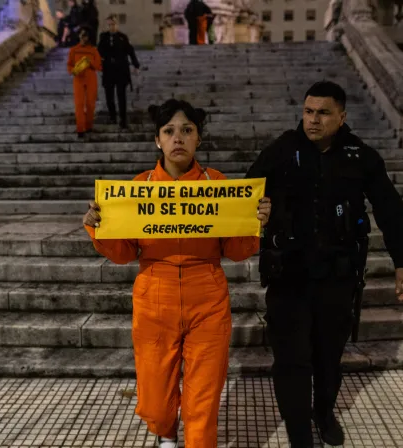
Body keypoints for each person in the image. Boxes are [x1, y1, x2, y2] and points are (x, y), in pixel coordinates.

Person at [83, 99, 272, 448]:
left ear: (198, 138)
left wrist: (254, 224)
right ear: (158, 140)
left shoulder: (217, 185)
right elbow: (125, 253)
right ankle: (165, 432)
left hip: (208, 297)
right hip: (154, 295)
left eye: (187, 130)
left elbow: (234, 250)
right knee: (155, 395)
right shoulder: (139, 189)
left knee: (204, 394)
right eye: (169, 131)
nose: (178, 138)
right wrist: (99, 228)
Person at [246, 81, 403, 448]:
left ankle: (323, 412)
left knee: (327, 360)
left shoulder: (360, 157)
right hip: (288, 276)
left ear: (341, 116)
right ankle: (300, 436)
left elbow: (389, 209)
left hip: (337, 279)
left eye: (323, 113)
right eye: (308, 111)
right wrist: (260, 209)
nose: (313, 119)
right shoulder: (282, 150)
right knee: (291, 360)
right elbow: (246, 194)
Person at [98, 15, 140, 129]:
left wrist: (136, 65)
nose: (111, 26)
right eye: (109, 24)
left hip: (121, 70)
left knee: (121, 96)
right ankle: (113, 117)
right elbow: (99, 51)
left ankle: (123, 119)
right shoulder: (103, 37)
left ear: (117, 24)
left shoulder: (122, 37)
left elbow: (130, 51)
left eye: (113, 24)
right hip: (108, 70)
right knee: (109, 96)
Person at [66, 27, 102, 138]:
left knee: (90, 104)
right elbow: (69, 64)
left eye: (85, 36)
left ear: (88, 37)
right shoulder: (74, 50)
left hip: (91, 79)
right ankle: (80, 129)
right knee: (79, 104)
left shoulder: (93, 50)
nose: (83, 38)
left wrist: (90, 62)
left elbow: (99, 66)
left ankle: (89, 126)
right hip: (78, 79)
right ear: (79, 36)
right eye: (81, 35)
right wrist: (73, 70)